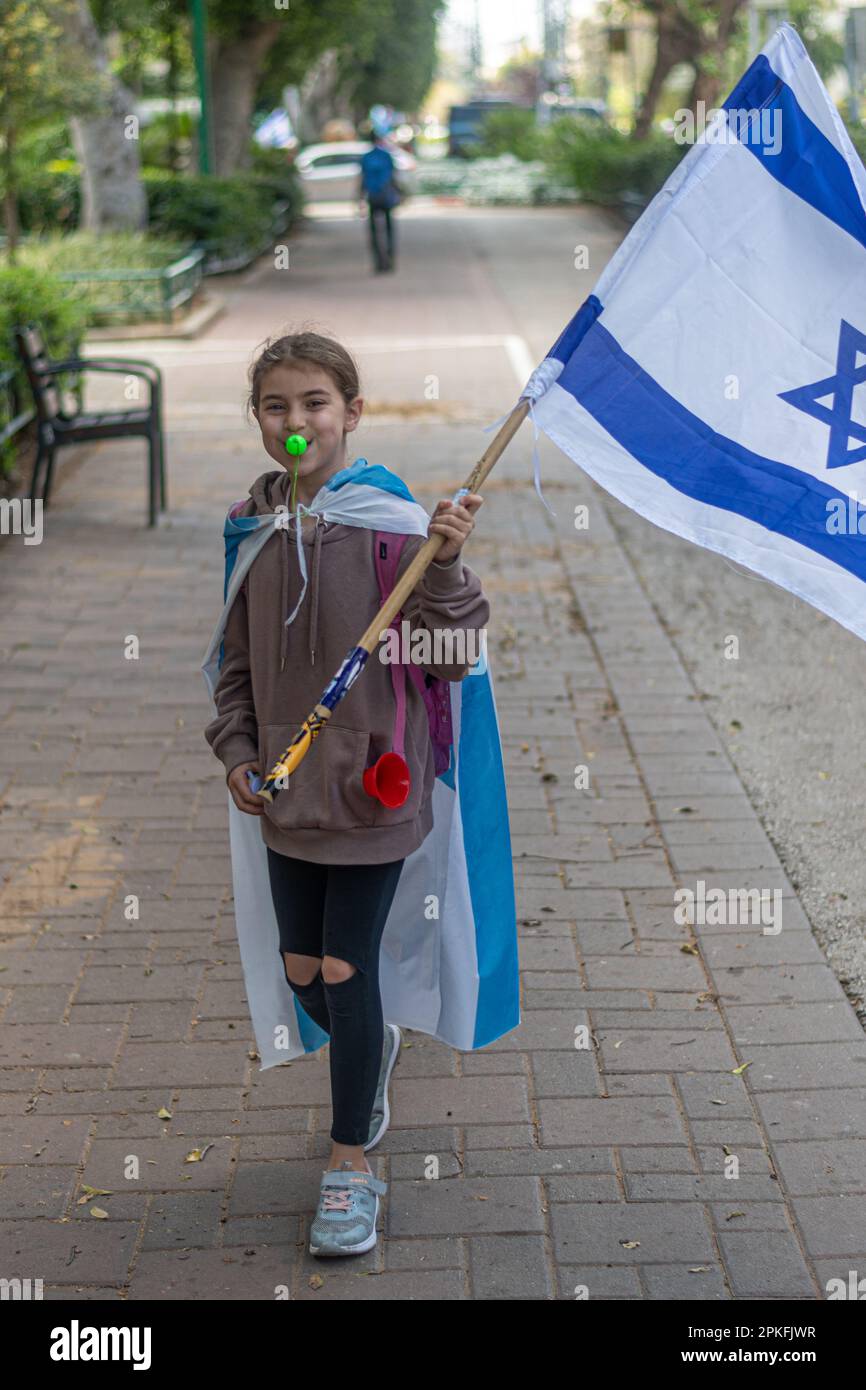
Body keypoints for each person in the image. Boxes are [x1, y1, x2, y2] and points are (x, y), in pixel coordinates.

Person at [203, 331, 494, 1258]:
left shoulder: (392, 527)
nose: (297, 424)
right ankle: (370, 1057)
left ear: (352, 413)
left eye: (315, 405)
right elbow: (235, 667)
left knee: (342, 969)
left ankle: (349, 1164)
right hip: (285, 798)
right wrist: (237, 749)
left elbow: (452, 653)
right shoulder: (251, 529)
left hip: (375, 791)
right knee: (302, 974)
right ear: (258, 419)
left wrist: (443, 564)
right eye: (277, 407)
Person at [359, 130, 400, 273]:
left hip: (373, 196)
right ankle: (389, 259)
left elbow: (363, 179)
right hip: (386, 196)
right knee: (389, 229)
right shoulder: (386, 156)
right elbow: (393, 176)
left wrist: (360, 198)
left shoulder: (366, 157)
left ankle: (378, 261)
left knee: (374, 231)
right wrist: (398, 193)